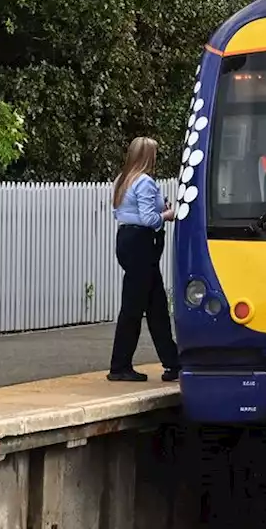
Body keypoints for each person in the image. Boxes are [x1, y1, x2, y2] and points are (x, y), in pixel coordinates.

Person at [108, 136, 181, 382]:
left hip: (126, 240)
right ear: (149, 156)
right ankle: (120, 366)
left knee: (155, 304)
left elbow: (121, 212)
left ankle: (173, 362)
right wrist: (168, 214)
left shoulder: (122, 180)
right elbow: (150, 219)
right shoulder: (145, 182)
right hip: (142, 244)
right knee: (134, 306)